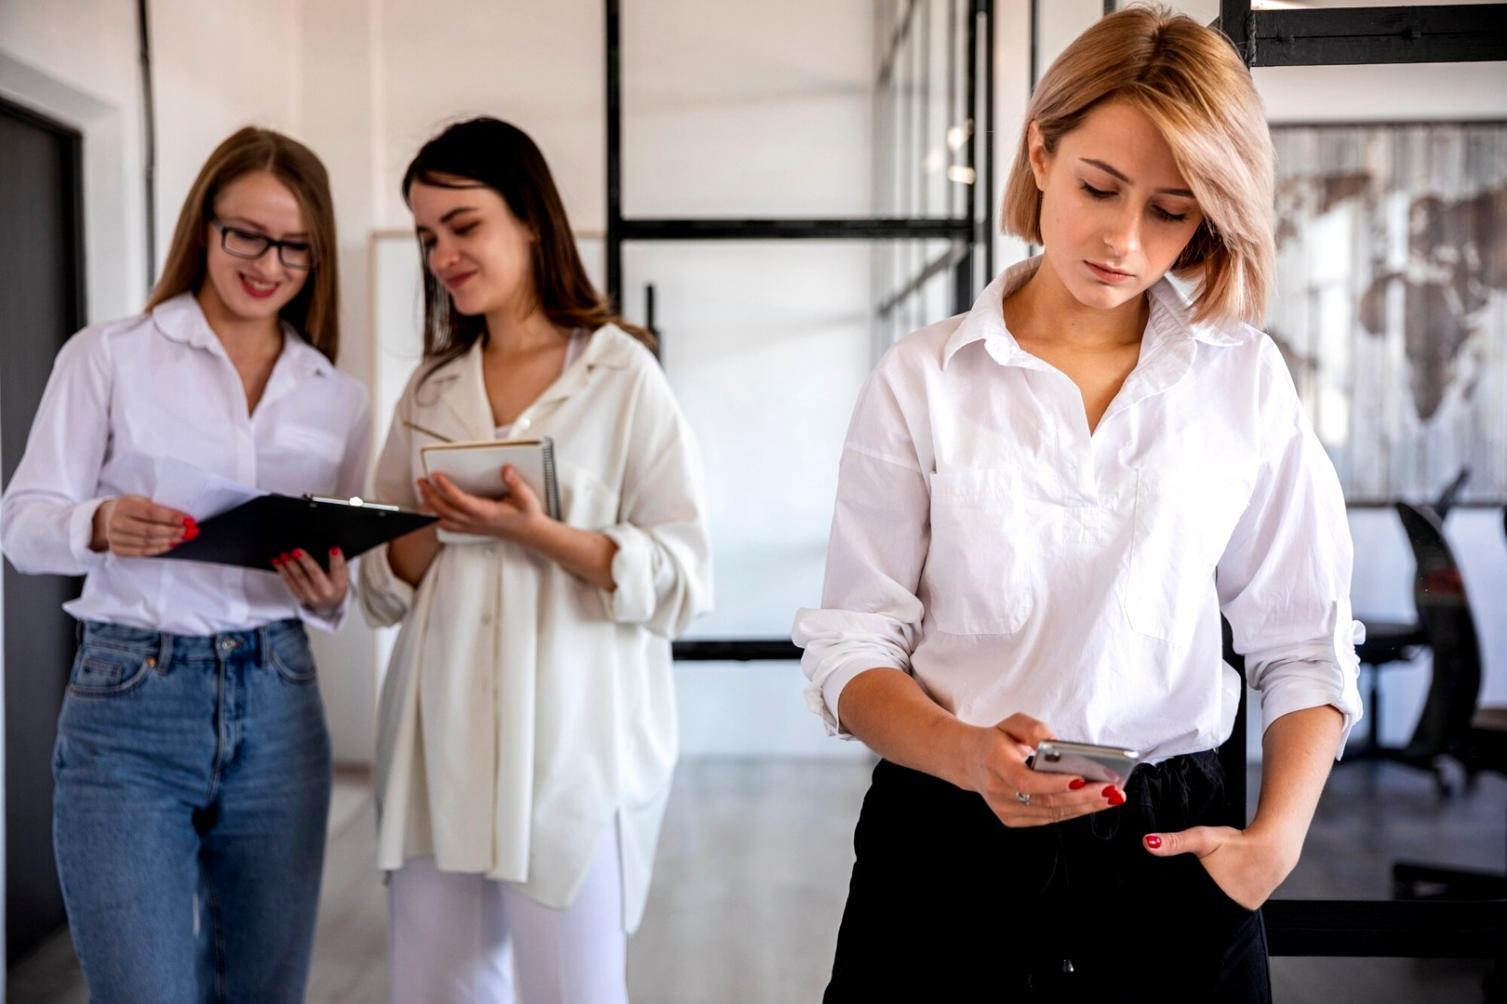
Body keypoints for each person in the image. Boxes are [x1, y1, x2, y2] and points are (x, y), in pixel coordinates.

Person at [792, 6, 1363, 999]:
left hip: (1167, 848)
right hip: (946, 838)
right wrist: (965, 752)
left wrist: (1273, 841)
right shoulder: (923, 377)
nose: (1123, 239)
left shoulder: (1241, 378)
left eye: (1171, 210)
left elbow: (1303, 640)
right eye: (1100, 186)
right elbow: (850, 648)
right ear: (1040, 150)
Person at [0, 126, 370, 1001]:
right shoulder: (108, 357)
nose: (268, 264)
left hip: (280, 697)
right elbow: (21, 526)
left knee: (261, 991)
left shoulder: (336, 395)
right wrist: (99, 523)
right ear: (202, 226)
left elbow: (338, 553)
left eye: (295, 247)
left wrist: (328, 591)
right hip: (131, 704)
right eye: (247, 234)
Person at [360, 117, 712, 1004]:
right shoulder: (431, 390)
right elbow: (377, 583)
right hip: (435, 742)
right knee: (435, 991)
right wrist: (445, 523)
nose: (442, 254)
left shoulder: (621, 376)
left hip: (572, 752)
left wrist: (537, 531)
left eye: (463, 225)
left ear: (529, 221)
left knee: (575, 993)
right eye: (425, 235)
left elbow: (682, 578)